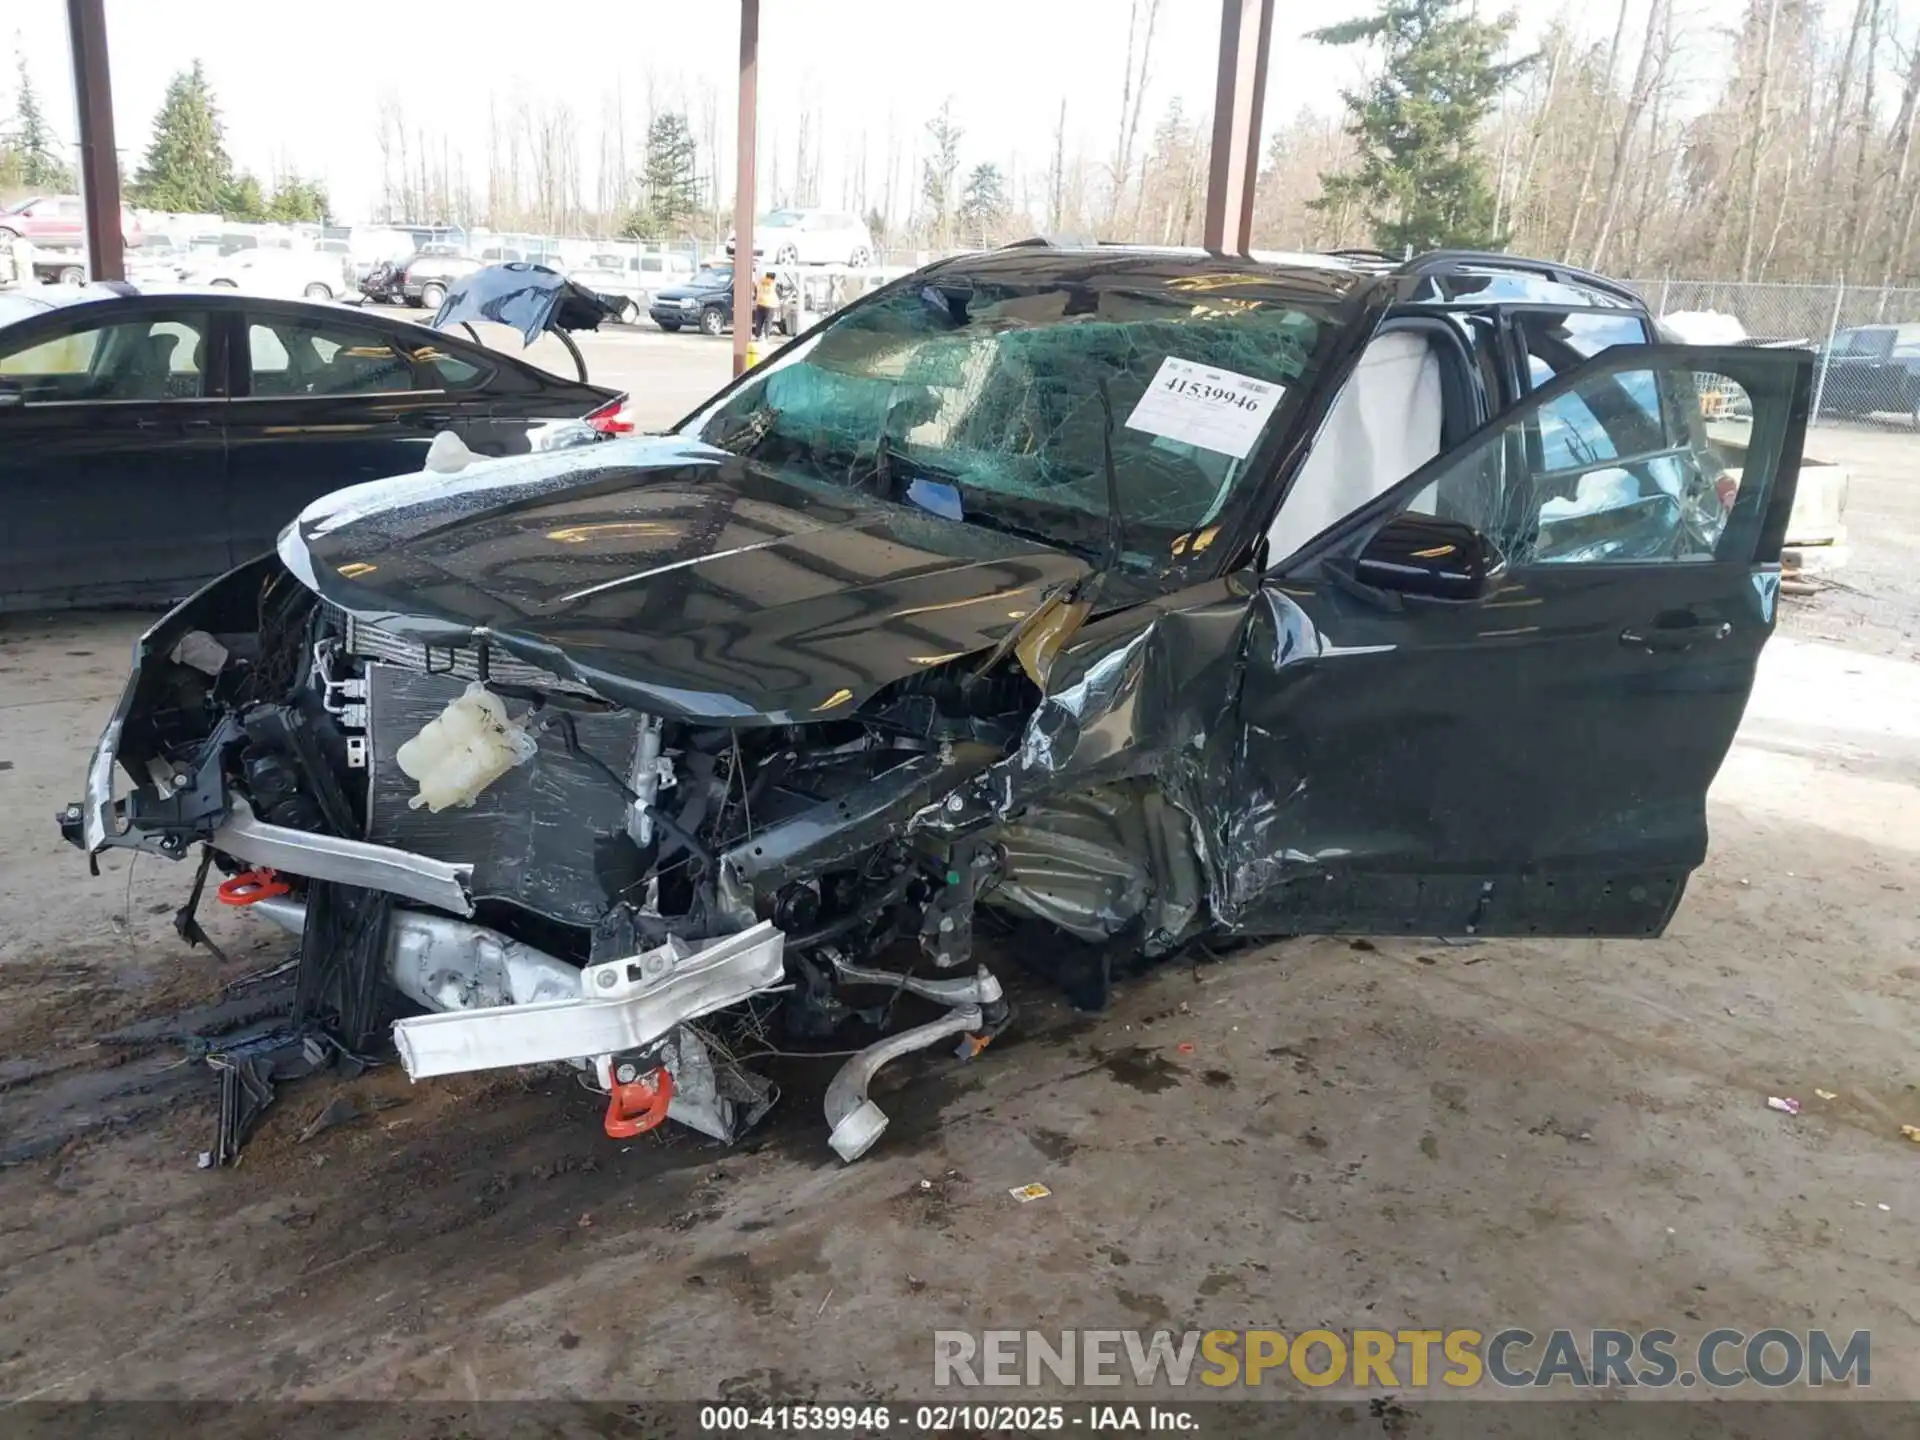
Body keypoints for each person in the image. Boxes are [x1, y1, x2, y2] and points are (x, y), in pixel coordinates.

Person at [753, 269, 778, 339]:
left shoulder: (760, 281)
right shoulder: (772, 283)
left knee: (759, 321)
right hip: (770, 305)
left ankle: (757, 336)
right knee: (768, 322)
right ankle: (766, 337)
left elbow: (755, 283)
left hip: (760, 304)